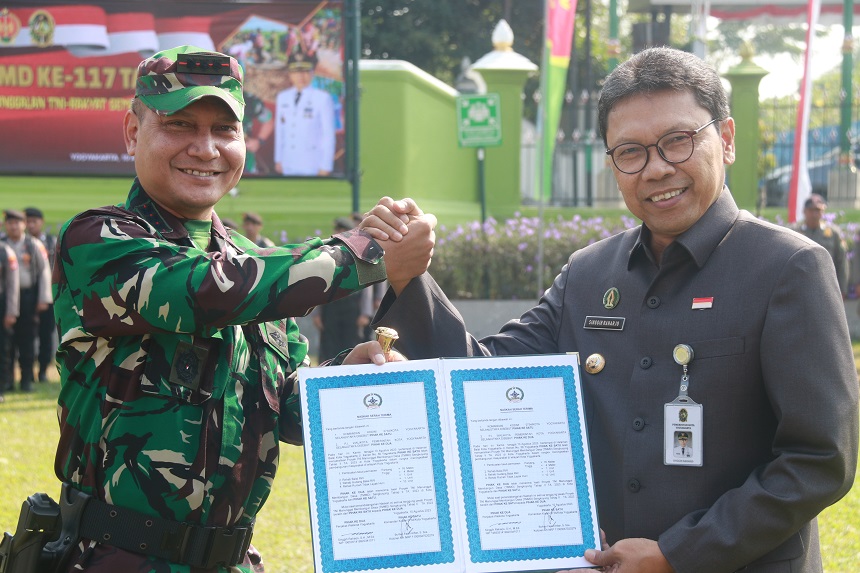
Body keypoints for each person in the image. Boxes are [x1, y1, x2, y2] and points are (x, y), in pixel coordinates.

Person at [361, 47, 859, 573]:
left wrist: (679, 554)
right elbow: (483, 373)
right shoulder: (590, 274)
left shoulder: (788, 267)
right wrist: (407, 276)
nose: (656, 169)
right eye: (630, 152)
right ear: (612, 164)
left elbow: (819, 459)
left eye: (678, 141)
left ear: (727, 139)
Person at [49, 44, 434, 572]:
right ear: (133, 132)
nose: (205, 148)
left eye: (224, 130)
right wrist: (367, 253)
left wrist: (349, 377)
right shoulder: (99, 240)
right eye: (180, 124)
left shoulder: (256, 266)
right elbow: (209, 291)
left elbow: (283, 407)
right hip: (119, 558)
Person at [2, 209, 51, 392]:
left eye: (17, 222)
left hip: (28, 297)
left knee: (27, 340)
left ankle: (26, 379)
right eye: (10, 223)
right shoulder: (3, 244)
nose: (13, 226)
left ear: (23, 225)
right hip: (7, 298)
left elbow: (44, 271)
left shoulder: (33, 244)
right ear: (6, 225)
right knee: (7, 341)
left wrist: (43, 298)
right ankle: (7, 381)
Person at [311, 217, 370, 362]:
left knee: (351, 345)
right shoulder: (327, 251)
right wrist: (316, 312)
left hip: (352, 307)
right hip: (331, 305)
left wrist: (365, 312)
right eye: (337, 230)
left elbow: (367, 284)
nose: (338, 233)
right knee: (329, 346)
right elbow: (320, 282)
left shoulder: (359, 251)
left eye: (342, 230)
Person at [274, 50, 335, 176]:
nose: (301, 76)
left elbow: (328, 135)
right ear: (290, 74)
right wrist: (278, 159)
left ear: (312, 73)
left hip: (312, 163)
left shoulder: (322, 98)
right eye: (296, 72)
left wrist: (325, 166)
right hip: (288, 161)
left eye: (305, 71)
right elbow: (280, 130)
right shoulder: (283, 97)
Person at [790, 193, 848, 297]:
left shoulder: (833, 233)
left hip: (826, 287)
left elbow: (841, 262)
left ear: (823, 211)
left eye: (818, 210)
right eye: (811, 210)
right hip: (799, 286)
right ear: (804, 211)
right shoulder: (795, 232)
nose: (814, 214)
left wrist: (842, 289)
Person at [24, 206, 57, 381]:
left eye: (33, 221)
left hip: (48, 296)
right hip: (26, 296)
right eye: (27, 221)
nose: (30, 225)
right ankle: (26, 372)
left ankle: (43, 370)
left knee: (46, 334)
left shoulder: (51, 242)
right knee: (25, 336)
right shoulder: (22, 243)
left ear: (41, 222)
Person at [0, 240, 19, 402]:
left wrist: (11, 311)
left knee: (2, 349)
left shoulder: (5, 251)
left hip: (1, 305)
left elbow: (12, 284)